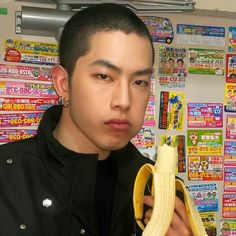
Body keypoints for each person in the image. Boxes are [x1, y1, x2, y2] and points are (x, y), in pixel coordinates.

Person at [0, 3, 192, 236]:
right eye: (104, 76)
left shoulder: (162, 193)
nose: (123, 100)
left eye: (139, 82)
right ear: (63, 83)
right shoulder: (7, 179)